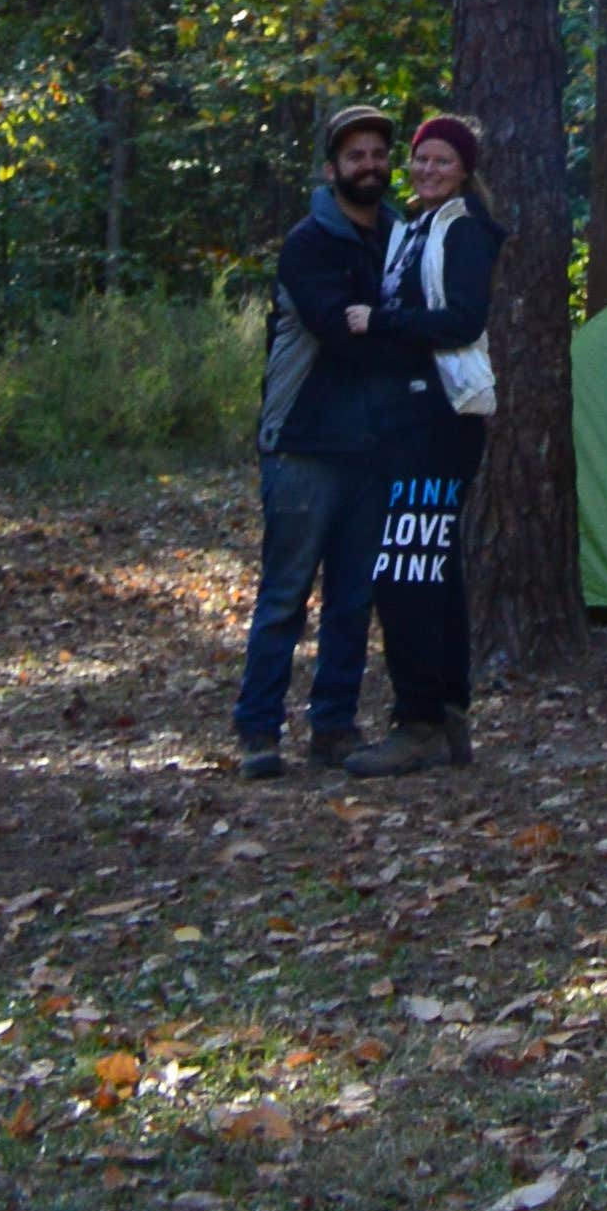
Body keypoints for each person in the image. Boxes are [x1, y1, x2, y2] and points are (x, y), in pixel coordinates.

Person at [232, 103, 405, 776]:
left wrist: (389, 326)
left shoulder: (399, 237)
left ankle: (333, 725)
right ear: (333, 168)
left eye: (378, 155)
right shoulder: (310, 242)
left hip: (372, 446)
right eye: (356, 156)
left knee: (354, 599)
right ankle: (258, 731)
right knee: (284, 594)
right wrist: (403, 328)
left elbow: (411, 328)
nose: (369, 166)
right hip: (302, 444)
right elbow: (337, 331)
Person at [366, 106, 501, 772]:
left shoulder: (465, 230)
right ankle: (448, 713)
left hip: (441, 419)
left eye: (443, 160)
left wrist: (382, 323)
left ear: (464, 171)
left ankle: (416, 721)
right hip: (413, 418)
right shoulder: (414, 226)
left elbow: (463, 320)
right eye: (422, 158)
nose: (428, 169)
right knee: (432, 566)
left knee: (407, 568)